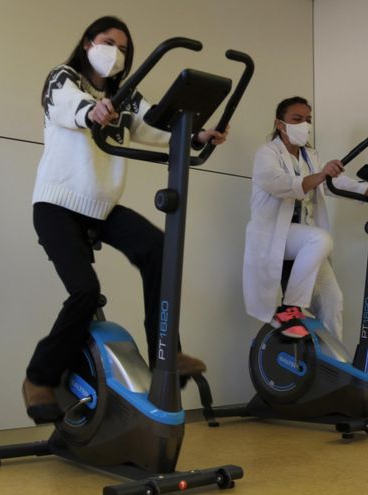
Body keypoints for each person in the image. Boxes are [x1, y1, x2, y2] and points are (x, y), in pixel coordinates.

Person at [23, 16, 228, 424]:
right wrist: (92, 111)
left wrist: (196, 135)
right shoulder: (63, 78)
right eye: (107, 42)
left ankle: (166, 351)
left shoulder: (126, 98)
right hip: (57, 205)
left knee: (159, 250)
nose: (114, 53)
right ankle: (38, 378)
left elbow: (155, 128)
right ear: (86, 44)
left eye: (122, 49)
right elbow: (69, 107)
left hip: (101, 208)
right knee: (85, 291)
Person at [242, 96, 368, 340]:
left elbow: (333, 180)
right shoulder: (267, 154)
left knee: (333, 301)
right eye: (297, 119)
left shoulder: (309, 156)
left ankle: (331, 365)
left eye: (308, 120)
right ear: (280, 124)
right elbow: (283, 185)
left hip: (301, 237)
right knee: (321, 239)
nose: (304, 125)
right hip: (273, 236)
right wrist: (322, 175)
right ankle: (289, 306)